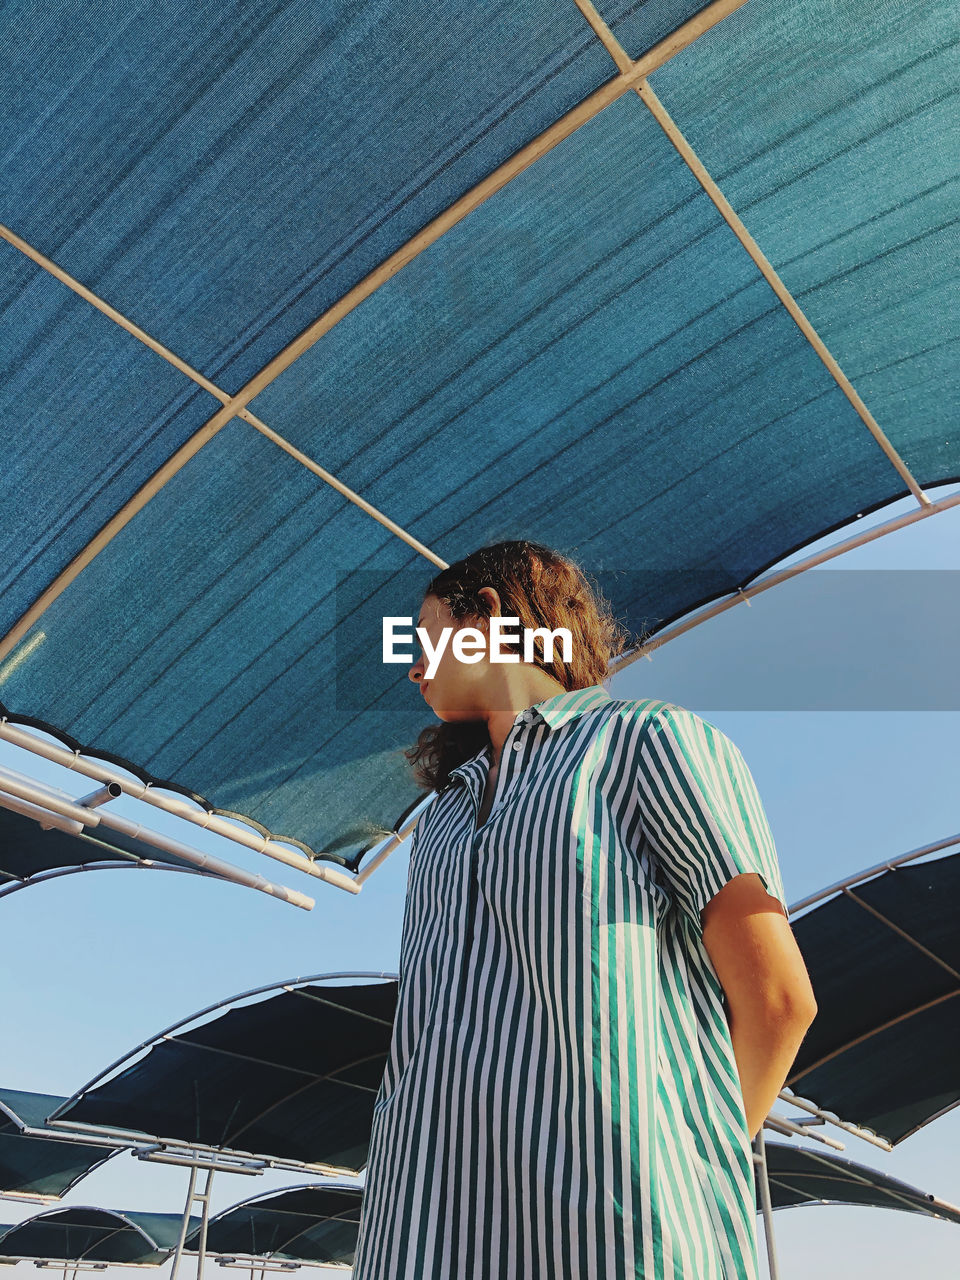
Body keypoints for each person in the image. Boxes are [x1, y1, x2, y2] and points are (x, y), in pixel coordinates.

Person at [352, 539, 817, 1279]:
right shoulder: (438, 821)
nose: (412, 666)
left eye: (422, 637)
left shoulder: (647, 744)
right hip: (420, 1236)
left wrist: (685, 1176)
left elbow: (778, 999)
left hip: (612, 1243)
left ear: (489, 617)